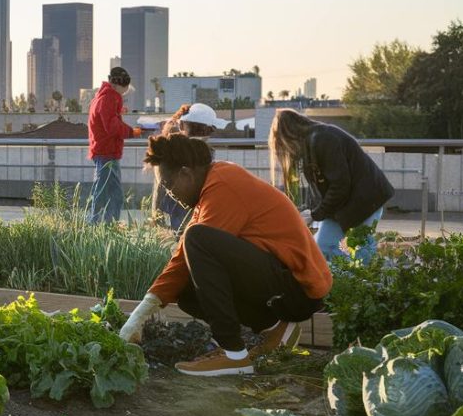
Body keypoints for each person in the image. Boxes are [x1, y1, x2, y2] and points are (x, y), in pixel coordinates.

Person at [118, 134, 331, 376]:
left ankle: (234, 355)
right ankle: (275, 328)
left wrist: (141, 314)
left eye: (168, 185)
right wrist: (143, 312)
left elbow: (196, 242)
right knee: (186, 292)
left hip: (299, 289)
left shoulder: (224, 184)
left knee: (197, 238)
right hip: (284, 287)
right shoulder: (210, 188)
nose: (169, 194)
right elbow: (181, 260)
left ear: (186, 173)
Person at [268, 109, 394, 263]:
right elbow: (327, 188)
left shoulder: (323, 140)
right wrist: (314, 212)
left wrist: (315, 214)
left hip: (365, 199)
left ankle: (373, 280)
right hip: (355, 199)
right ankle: (361, 280)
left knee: (355, 250)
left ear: (289, 136)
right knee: (326, 248)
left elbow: (339, 186)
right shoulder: (317, 140)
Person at [154, 103, 228, 231]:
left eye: (203, 130)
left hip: (187, 207)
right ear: (181, 126)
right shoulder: (174, 150)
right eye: (196, 129)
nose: (200, 134)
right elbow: (161, 185)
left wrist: (156, 215)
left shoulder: (172, 147)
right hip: (183, 206)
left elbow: (159, 186)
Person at [86, 66, 142, 223]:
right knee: (110, 194)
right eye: (125, 89)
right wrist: (132, 132)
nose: (124, 93)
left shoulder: (102, 97)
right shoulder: (110, 98)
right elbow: (112, 126)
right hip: (107, 153)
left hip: (102, 151)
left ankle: (99, 225)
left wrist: (119, 111)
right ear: (119, 85)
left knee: (104, 192)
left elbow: (106, 119)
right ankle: (102, 225)